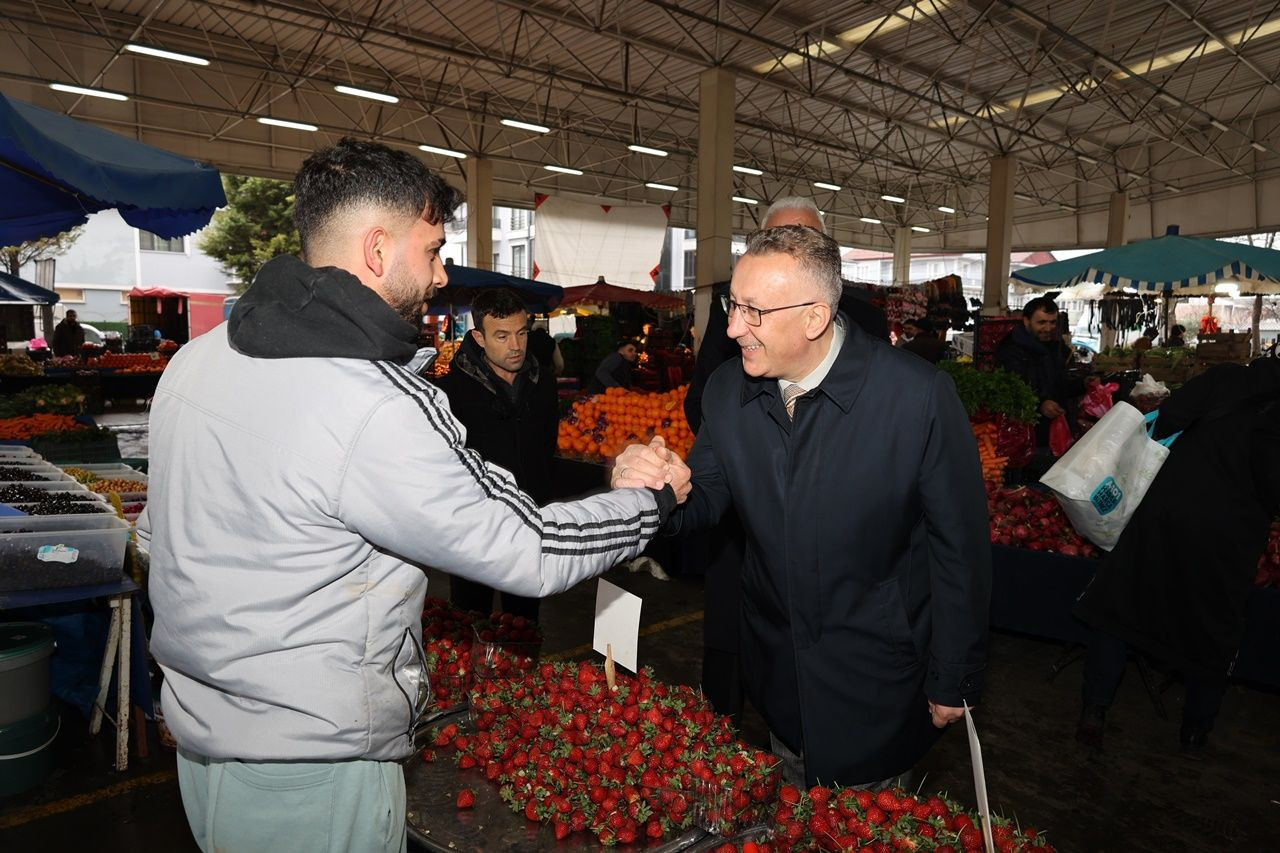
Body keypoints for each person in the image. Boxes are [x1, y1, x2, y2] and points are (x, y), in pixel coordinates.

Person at [141, 138, 689, 853]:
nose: (439, 274)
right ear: (376, 249)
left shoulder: (197, 360)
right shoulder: (369, 400)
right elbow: (526, 549)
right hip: (311, 774)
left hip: (203, 748)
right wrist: (644, 503)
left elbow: (156, 536)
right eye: (431, 250)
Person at [635, 225, 991, 788]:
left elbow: (960, 549)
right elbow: (703, 496)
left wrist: (956, 675)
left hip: (877, 675)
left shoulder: (916, 398)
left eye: (754, 311)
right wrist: (657, 486)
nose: (732, 328)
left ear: (814, 317)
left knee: (861, 822)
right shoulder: (730, 390)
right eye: (733, 305)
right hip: (778, 673)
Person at [681, 197, 892, 723]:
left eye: (803, 239)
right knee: (741, 661)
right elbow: (706, 398)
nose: (738, 325)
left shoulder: (873, 335)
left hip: (855, 612)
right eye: (775, 239)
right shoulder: (735, 330)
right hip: (747, 523)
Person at [1074, 356, 1280, 753]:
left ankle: (1094, 711)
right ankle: (1195, 729)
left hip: (1168, 513)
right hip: (1229, 538)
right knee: (1212, 627)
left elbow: (1168, 421)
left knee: (1121, 610)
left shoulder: (1227, 377)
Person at [434, 287, 558, 623]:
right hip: (474, 528)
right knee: (470, 621)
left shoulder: (543, 382)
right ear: (479, 337)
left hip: (529, 524)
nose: (515, 346)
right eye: (501, 336)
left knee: (524, 624)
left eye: (521, 333)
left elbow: (549, 449)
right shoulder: (452, 392)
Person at [995, 297, 1086, 466]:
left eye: (1052, 322)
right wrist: (1041, 403)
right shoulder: (1011, 349)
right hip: (1026, 437)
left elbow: (1060, 385)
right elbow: (1012, 389)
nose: (1048, 328)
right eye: (1042, 322)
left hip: (1054, 434)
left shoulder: (1056, 347)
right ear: (1026, 321)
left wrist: (1083, 384)